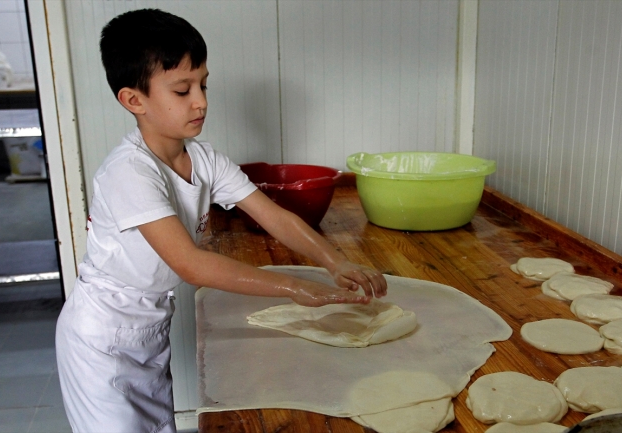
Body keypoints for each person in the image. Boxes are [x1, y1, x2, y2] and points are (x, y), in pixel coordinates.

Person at [55, 8, 387, 433]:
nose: (202, 101)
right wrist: (296, 288)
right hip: (100, 342)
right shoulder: (129, 173)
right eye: (182, 90)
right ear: (133, 100)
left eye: (204, 84)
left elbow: (273, 216)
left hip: (149, 329)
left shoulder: (204, 158)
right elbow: (190, 264)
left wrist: (335, 262)